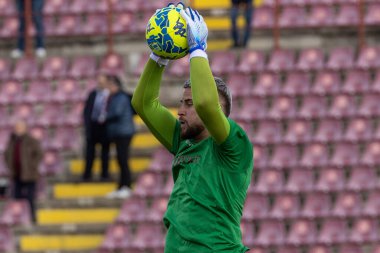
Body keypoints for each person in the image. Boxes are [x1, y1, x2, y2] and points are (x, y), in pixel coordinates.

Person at [132, 3, 253, 252]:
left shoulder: (234, 146)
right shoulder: (183, 141)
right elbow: (143, 103)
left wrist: (198, 50)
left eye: (189, 104)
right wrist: (159, 55)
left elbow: (206, 103)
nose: (180, 111)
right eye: (181, 103)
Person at [4, 120, 43, 223]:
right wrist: (10, 166)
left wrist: (32, 165)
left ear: (25, 129)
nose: (18, 130)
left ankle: (33, 218)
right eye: (17, 128)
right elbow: (7, 155)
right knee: (16, 198)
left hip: (29, 174)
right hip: (17, 174)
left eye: (20, 127)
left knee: (30, 198)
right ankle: (19, 218)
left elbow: (39, 154)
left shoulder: (31, 140)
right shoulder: (13, 141)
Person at [105, 74, 136, 199]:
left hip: (124, 132)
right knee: (120, 159)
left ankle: (127, 186)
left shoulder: (121, 97)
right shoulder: (115, 97)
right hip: (119, 132)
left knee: (123, 159)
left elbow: (117, 113)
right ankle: (121, 186)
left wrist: (104, 117)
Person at [82, 72, 110, 182]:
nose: (100, 84)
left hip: (105, 127)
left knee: (105, 152)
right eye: (99, 82)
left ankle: (104, 174)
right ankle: (87, 174)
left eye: (102, 82)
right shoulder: (93, 94)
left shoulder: (109, 95)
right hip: (93, 126)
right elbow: (87, 110)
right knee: (89, 152)